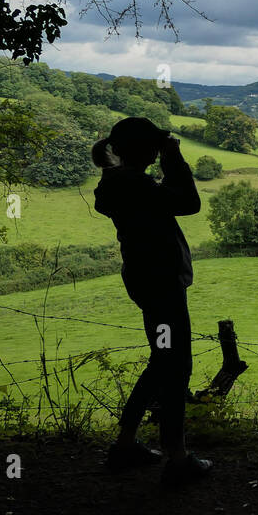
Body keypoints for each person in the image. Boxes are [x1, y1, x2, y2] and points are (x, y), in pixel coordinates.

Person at [91, 116, 211, 486]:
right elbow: (189, 203)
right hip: (162, 284)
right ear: (146, 149)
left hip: (146, 280)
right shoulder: (133, 184)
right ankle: (178, 459)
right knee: (176, 368)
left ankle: (126, 445)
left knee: (163, 362)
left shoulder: (118, 182)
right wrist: (173, 158)